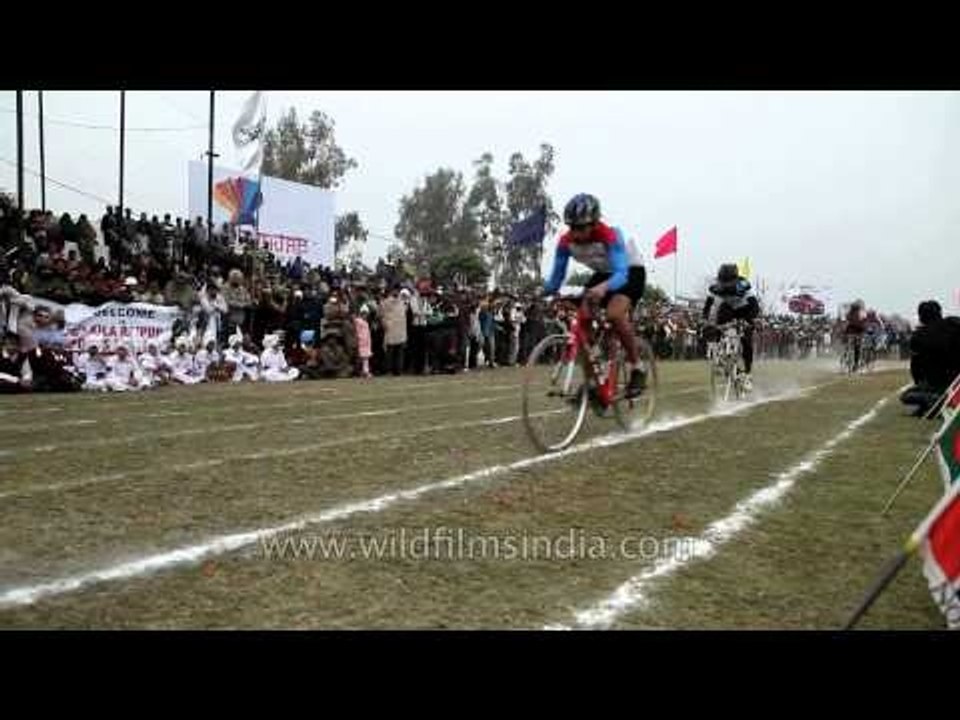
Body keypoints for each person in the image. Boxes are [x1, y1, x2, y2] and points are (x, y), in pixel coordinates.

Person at [543, 193, 648, 397]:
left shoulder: (610, 235)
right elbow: (556, 277)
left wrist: (603, 288)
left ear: (594, 223)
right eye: (572, 227)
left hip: (629, 270)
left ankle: (637, 367)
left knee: (614, 314)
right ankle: (596, 378)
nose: (577, 233)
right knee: (583, 321)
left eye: (581, 228)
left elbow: (621, 274)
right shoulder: (565, 242)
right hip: (603, 272)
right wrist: (545, 291)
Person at [702, 263, 760, 391]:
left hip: (746, 309)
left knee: (746, 340)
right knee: (716, 325)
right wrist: (705, 320)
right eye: (723, 281)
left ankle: (748, 375)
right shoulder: (715, 286)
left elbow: (755, 306)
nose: (725, 284)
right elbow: (708, 305)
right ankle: (718, 355)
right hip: (728, 308)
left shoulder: (743, 284)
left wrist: (748, 321)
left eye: (728, 282)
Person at [901, 300, 960, 417]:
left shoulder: (918, 336)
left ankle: (935, 401)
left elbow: (916, 368)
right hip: (957, 382)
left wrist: (922, 383)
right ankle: (939, 400)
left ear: (921, 316)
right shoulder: (954, 325)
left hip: (938, 383)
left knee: (906, 396)